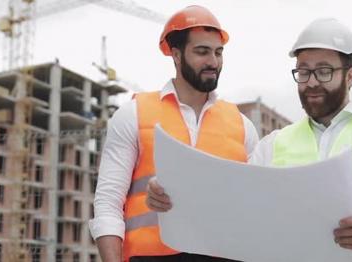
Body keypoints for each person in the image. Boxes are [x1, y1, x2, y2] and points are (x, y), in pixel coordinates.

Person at [147, 18, 352, 262]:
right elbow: (235, 207)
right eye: (303, 71)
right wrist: (175, 195)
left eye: (324, 71)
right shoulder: (273, 144)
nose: (311, 82)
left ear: (350, 76)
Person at [89, 5, 259, 262]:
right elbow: (108, 203)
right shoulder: (133, 114)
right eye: (202, 52)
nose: (213, 62)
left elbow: (255, 207)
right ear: (176, 55)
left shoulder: (242, 125)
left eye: (218, 52)